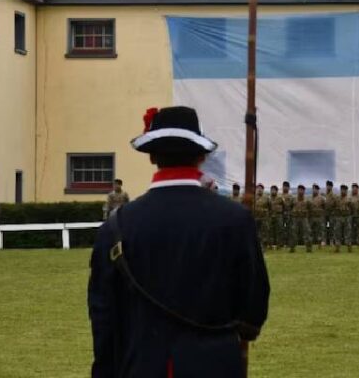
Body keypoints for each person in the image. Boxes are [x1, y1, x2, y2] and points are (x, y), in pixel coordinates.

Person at [88, 105, 269, 378]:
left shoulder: (117, 226)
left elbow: (103, 317)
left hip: (140, 366)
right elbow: (253, 306)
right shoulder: (235, 219)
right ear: (202, 156)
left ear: (152, 157)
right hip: (215, 366)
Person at [289, 185, 312, 253]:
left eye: (302, 190)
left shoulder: (307, 200)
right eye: (299, 190)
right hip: (295, 218)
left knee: (307, 233)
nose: (300, 191)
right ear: (297, 190)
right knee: (293, 233)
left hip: (304, 218)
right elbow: (290, 207)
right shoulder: (293, 200)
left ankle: (309, 247)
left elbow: (310, 209)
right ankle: (292, 247)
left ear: (304, 191)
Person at [332, 185, 354, 253]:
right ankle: (337, 247)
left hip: (347, 217)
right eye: (342, 189)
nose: (343, 191)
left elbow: (353, 208)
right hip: (339, 217)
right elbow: (333, 206)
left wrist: (349, 214)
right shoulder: (337, 198)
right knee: (337, 232)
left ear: (346, 191)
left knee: (348, 232)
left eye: (344, 190)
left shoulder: (349, 199)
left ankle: (349, 246)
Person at [253, 184, 271, 251]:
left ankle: (263, 246)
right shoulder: (253, 197)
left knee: (264, 233)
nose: (259, 190)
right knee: (255, 232)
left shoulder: (266, 198)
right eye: (258, 188)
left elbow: (270, 207)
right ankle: (255, 246)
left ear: (263, 190)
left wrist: (267, 214)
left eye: (261, 188)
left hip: (264, 218)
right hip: (255, 218)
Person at [308, 184, 326, 249]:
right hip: (312, 217)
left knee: (320, 230)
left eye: (315, 189)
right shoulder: (310, 198)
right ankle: (310, 242)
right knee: (310, 230)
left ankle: (321, 242)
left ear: (318, 190)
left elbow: (325, 207)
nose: (314, 190)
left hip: (320, 217)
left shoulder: (322, 198)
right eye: (313, 189)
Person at [268, 185, 284, 250]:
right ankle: (270, 245)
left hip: (278, 216)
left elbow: (284, 206)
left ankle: (279, 245)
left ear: (277, 191)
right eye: (272, 190)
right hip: (271, 216)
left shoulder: (280, 198)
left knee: (279, 230)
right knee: (270, 231)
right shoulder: (268, 198)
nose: (273, 191)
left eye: (274, 190)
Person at [280, 182, 295, 249]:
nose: (285, 188)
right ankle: (282, 243)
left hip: (289, 214)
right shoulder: (280, 196)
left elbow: (293, 205)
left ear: (288, 188)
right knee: (281, 229)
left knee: (289, 229)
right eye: (284, 186)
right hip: (281, 214)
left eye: (286, 186)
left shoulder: (291, 197)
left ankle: (289, 243)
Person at [323, 180, 336, 246]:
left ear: (331, 187)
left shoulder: (333, 195)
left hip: (331, 214)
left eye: (329, 186)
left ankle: (331, 241)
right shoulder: (324, 195)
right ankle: (324, 241)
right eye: (327, 186)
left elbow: (335, 204)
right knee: (324, 227)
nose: (328, 187)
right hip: (324, 213)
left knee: (331, 228)